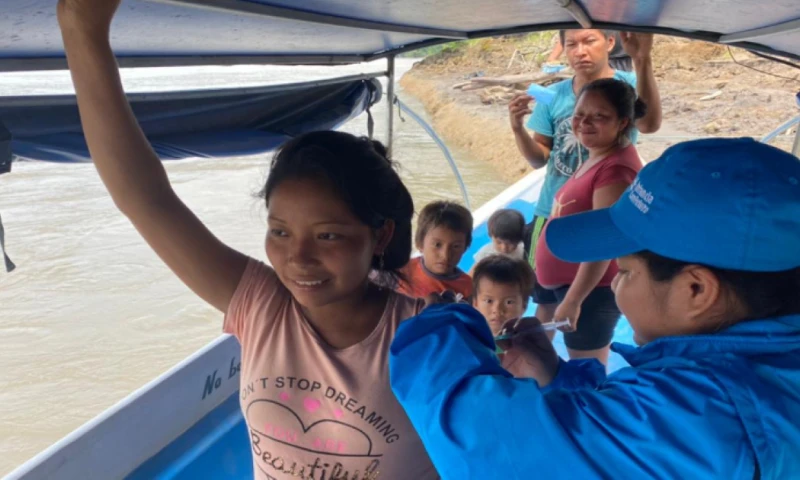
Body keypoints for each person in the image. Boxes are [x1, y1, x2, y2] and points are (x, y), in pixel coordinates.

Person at [56, 2, 440, 478]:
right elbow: (145, 198)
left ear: (379, 234)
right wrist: (81, 29)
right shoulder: (261, 307)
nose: (297, 257)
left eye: (327, 235)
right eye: (279, 231)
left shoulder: (429, 335)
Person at [389, 138, 800, 479]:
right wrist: (556, 379)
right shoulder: (770, 374)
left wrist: (438, 329)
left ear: (695, 290)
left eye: (624, 272)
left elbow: (484, 442)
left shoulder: (709, 413)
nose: (616, 286)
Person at [510, 29, 662, 328]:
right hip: (552, 210)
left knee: (584, 319)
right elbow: (539, 159)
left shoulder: (629, 87)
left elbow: (649, 124)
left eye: (589, 41)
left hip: (594, 213)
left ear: (609, 43)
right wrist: (517, 129)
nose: (580, 51)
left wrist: (641, 59)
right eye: (571, 44)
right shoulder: (553, 94)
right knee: (543, 304)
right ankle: (540, 362)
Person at [534, 78, 645, 364]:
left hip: (591, 295)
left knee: (588, 376)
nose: (585, 122)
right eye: (580, 114)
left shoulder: (616, 169)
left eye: (599, 116)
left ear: (622, 123)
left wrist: (573, 300)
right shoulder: (596, 154)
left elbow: (603, 245)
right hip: (573, 288)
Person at [397, 200, 473, 299]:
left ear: (465, 248)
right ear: (420, 243)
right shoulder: (401, 271)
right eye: (437, 245)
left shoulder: (467, 288)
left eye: (456, 246)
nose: (445, 255)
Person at [471, 255, 534, 336]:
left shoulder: (528, 344)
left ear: (524, 305)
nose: (497, 310)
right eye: (489, 301)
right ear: (475, 303)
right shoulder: (465, 340)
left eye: (509, 302)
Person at [469, 209, 525, 275]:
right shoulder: (486, 253)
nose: (504, 248)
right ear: (490, 235)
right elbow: (472, 274)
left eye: (510, 243)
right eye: (499, 242)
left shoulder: (523, 250)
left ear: (519, 239)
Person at [545, 30, 633, 72]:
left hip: (623, 56)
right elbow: (571, 35)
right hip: (601, 56)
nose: (580, 52)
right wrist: (552, 58)